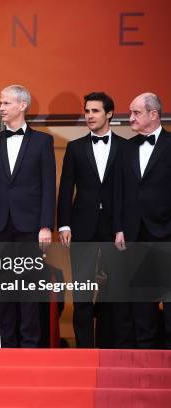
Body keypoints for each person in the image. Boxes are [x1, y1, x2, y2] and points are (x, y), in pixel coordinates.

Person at [0, 85, 56, 348]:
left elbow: (48, 186)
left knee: (29, 288)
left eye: (6, 103)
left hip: (30, 226)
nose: (1, 108)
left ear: (22, 105)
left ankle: (30, 345)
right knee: (4, 288)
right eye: (1, 103)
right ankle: (8, 346)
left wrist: (46, 225)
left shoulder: (43, 141)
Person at [57, 92, 126, 348]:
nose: (89, 116)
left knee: (113, 292)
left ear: (109, 113)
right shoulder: (75, 147)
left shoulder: (124, 147)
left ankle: (110, 348)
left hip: (113, 228)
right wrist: (63, 224)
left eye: (95, 111)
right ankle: (84, 349)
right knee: (82, 292)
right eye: (87, 111)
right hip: (81, 227)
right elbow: (66, 188)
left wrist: (123, 227)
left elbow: (127, 192)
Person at [116, 92, 171, 349]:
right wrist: (119, 228)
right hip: (135, 234)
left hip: (167, 233)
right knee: (141, 302)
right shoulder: (126, 148)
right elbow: (120, 192)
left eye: (136, 112)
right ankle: (146, 361)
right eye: (130, 112)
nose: (131, 118)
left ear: (154, 114)